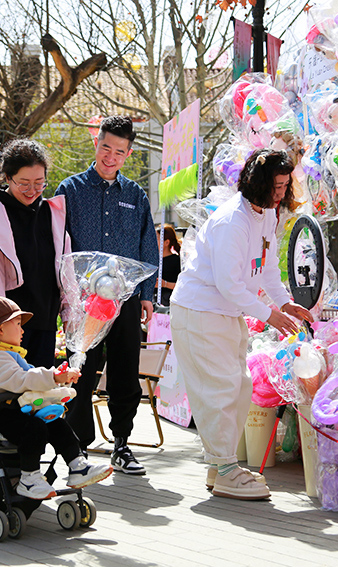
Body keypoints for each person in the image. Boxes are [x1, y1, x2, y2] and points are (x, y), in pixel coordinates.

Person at [170, 149, 314, 500]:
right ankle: (225, 468)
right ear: (258, 182)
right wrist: (270, 315)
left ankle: (220, 465)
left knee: (239, 388)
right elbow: (229, 283)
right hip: (200, 311)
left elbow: (265, 269)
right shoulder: (232, 220)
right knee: (219, 390)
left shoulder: (265, 215)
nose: (281, 193)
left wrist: (284, 303)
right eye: (276, 186)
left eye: (285, 186)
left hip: (224, 314)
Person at [56, 116, 160, 474]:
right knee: (80, 370)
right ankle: (78, 447)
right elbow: (58, 243)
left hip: (124, 300)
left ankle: (122, 443)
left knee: (125, 370)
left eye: (119, 151)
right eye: (105, 147)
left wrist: (146, 294)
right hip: (83, 303)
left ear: (128, 153)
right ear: (95, 143)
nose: (110, 156)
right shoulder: (69, 190)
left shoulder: (135, 196)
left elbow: (149, 244)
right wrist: (65, 292)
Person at [0, 297, 112, 499]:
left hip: (14, 411)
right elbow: (22, 379)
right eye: (17, 325)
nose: (23, 330)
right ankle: (29, 478)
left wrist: (57, 378)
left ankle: (77, 464)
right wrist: (53, 377)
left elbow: (30, 374)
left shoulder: (8, 354)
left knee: (56, 424)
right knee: (35, 428)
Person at [0, 139, 69, 368]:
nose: (32, 191)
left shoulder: (53, 214)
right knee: (7, 396)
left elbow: (65, 269)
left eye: (39, 183)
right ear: (7, 178)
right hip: (6, 328)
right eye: (24, 183)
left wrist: (69, 314)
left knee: (39, 396)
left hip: (45, 321)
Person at [155, 224, 182, 306]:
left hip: (169, 303)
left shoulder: (176, 261)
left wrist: (165, 284)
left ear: (166, 242)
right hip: (152, 302)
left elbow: (183, 285)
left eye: (156, 238)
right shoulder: (152, 260)